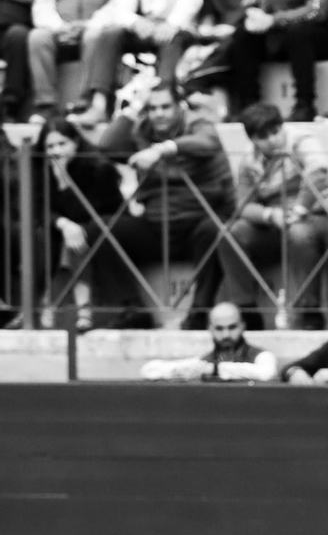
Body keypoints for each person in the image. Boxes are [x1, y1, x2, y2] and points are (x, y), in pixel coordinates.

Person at [96, 79, 234, 329]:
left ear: (180, 106)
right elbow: (107, 145)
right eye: (152, 108)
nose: (158, 114)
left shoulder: (197, 123)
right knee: (103, 229)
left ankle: (200, 312)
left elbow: (208, 143)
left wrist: (163, 150)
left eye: (165, 107)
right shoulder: (142, 131)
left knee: (216, 230)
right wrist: (135, 105)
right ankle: (132, 309)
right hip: (157, 225)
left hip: (197, 222)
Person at [220, 102, 328, 330]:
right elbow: (242, 205)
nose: (272, 140)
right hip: (278, 222)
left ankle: (309, 312)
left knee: (299, 232)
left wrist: (299, 209)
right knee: (231, 233)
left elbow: (318, 170)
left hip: (319, 216)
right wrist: (270, 215)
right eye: (263, 136)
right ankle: (247, 310)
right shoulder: (249, 161)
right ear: (252, 139)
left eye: (275, 132)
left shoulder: (302, 141)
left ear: (282, 127)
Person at [69, 0, 201, 127]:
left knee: (172, 41)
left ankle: (162, 103)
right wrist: (135, 22)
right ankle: (99, 105)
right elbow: (121, 8)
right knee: (109, 34)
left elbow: (191, 2)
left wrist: (172, 24)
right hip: (147, 27)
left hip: (181, 29)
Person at [31, 115, 119, 334]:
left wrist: (63, 181)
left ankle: (59, 306)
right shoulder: (39, 168)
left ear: (76, 143)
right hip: (64, 230)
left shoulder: (97, 167)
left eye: (62, 143)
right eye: (50, 146)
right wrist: (61, 223)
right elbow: (37, 209)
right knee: (52, 234)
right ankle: (75, 310)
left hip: (103, 225)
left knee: (77, 234)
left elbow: (86, 212)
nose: (56, 151)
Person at [223, 0, 328, 121]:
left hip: (324, 31)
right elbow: (265, 3)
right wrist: (258, 18)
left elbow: (316, 12)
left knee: (297, 33)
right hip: (282, 30)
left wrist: (274, 20)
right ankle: (249, 104)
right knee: (244, 34)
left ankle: (304, 105)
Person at [139, 302, 278, 381]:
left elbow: (267, 373)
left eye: (232, 327)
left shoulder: (261, 356)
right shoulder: (205, 360)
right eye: (219, 328)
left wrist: (215, 369)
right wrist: (192, 369)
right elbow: (149, 370)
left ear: (243, 326)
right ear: (210, 329)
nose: (226, 334)